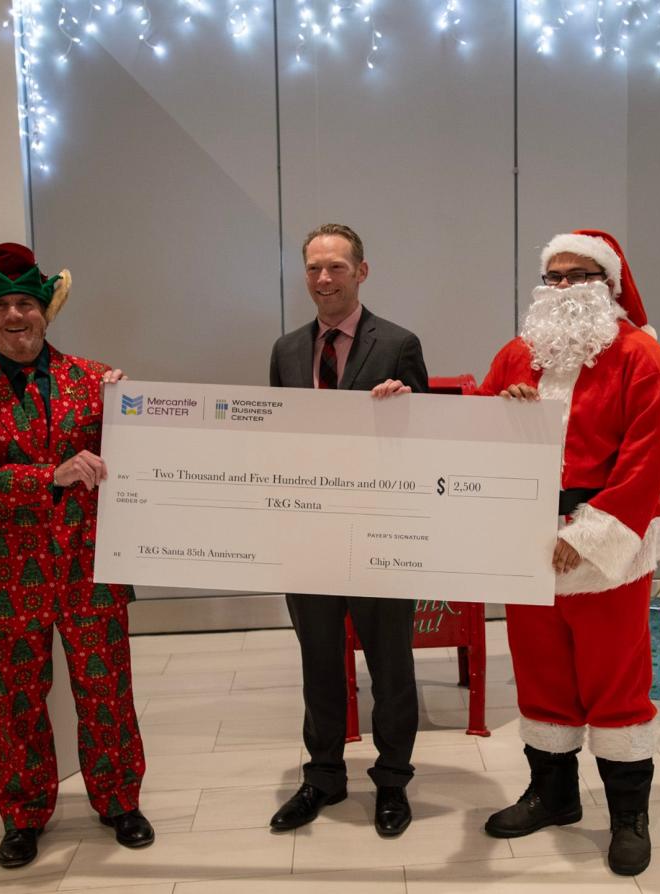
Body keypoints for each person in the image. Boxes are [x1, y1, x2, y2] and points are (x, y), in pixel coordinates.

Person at [0, 243, 153, 869]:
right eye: (0, 306)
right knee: (18, 701)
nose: (15, 316)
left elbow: (135, 463)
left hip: (90, 569)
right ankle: (23, 815)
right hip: (6, 578)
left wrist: (135, 411)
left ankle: (118, 802)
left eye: (26, 302)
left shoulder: (96, 380)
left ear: (47, 309)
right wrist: (48, 476)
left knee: (107, 692)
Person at [478, 230, 660, 876]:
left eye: (580, 276)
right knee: (541, 672)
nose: (563, 287)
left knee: (614, 681)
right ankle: (554, 794)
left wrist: (586, 535)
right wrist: (501, 412)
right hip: (526, 538)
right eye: (554, 276)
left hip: (604, 546)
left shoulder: (642, 358)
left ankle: (628, 818)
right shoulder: (517, 355)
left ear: (610, 287)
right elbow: (476, 432)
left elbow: (648, 461)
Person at [268, 223, 428, 838]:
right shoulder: (285, 350)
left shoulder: (399, 343)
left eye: (336, 267)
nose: (324, 279)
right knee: (317, 661)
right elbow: (279, 437)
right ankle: (324, 778)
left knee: (390, 663)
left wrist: (404, 408)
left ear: (362, 271)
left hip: (380, 531)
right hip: (309, 532)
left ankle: (392, 780)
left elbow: (425, 436)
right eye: (313, 269)